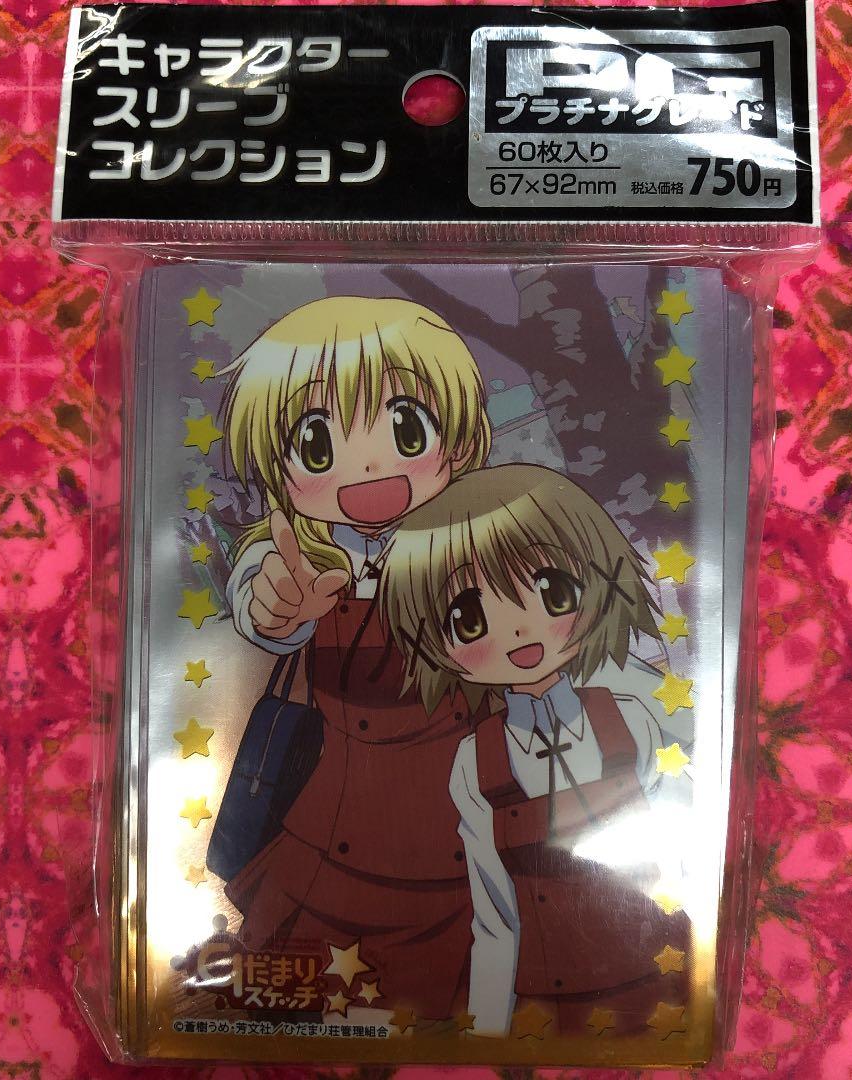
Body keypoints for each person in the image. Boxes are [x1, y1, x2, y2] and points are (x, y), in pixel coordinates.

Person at [220, 295, 492, 1022]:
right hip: (339, 802)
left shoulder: (473, 540)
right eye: (317, 444)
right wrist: (280, 609)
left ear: (458, 440)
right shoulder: (292, 551)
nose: (370, 468)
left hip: (455, 796)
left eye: (407, 428)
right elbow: (261, 600)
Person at [382, 463, 693, 1036]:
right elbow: (495, 916)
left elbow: (690, 853)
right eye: (469, 618)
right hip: (549, 1008)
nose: (520, 629)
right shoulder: (475, 762)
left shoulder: (630, 719)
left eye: (551, 591)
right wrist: (487, 1036)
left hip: (662, 982)